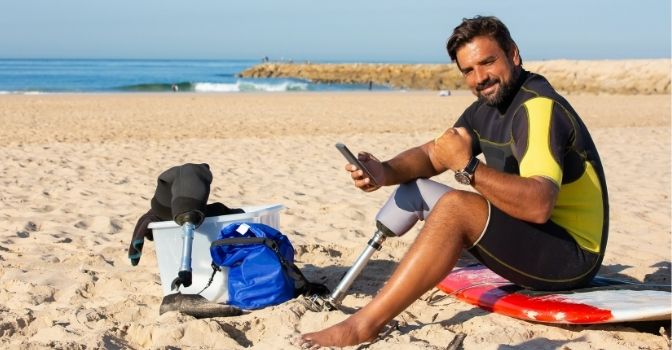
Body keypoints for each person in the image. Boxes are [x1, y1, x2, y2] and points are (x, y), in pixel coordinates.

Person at [300, 15, 609, 347]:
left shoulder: (537, 109)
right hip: (534, 234)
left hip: (571, 255)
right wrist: (384, 171)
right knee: (416, 188)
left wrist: (468, 168)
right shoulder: (485, 108)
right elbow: (435, 154)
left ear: (514, 54)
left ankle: (364, 324)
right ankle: (345, 288)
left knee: (457, 207)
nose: (480, 78)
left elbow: (538, 205)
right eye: (468, 70)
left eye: (488, 62)